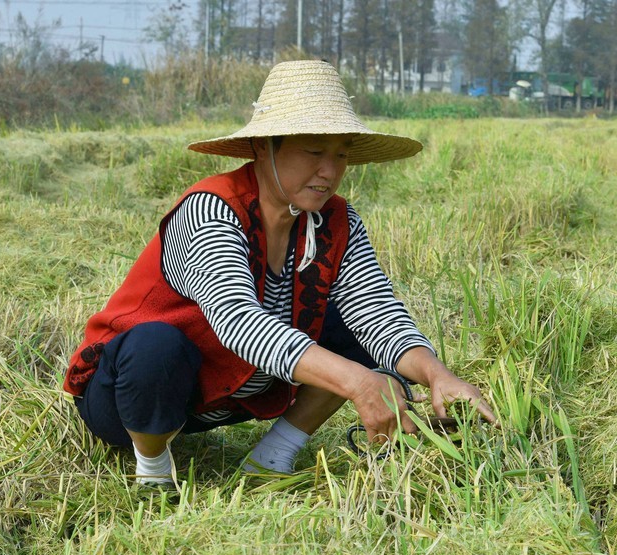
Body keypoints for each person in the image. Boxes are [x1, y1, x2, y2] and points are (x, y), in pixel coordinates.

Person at [63, 60, 497, 488]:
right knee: (155, 345)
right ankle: (154, 466)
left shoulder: (336, 222)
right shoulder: (210, 209)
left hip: (228, 395)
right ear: (263, 147)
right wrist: (359, 383)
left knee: (354, 330)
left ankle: (272, 456)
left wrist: (439, 376)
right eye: (313, 152)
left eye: (340, 155)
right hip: (131, 398)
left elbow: (377, 313)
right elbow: (238, 322)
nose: (329, 172)